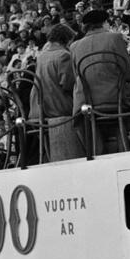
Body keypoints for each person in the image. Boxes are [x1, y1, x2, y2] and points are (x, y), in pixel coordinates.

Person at [69, 9, 130, 153]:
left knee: (90, 121)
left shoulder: (74, 46)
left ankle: (96, 151)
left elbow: (76, 76)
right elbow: (128, 74)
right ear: (104, 23)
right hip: (115, 98)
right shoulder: (115, 38)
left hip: (85, 103)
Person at [30, 23, 83, 162]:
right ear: (67, 39)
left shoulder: (41, 56)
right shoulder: (63, 55)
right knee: (86, 108)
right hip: (58, 106)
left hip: (40, 108)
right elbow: (68, 85)